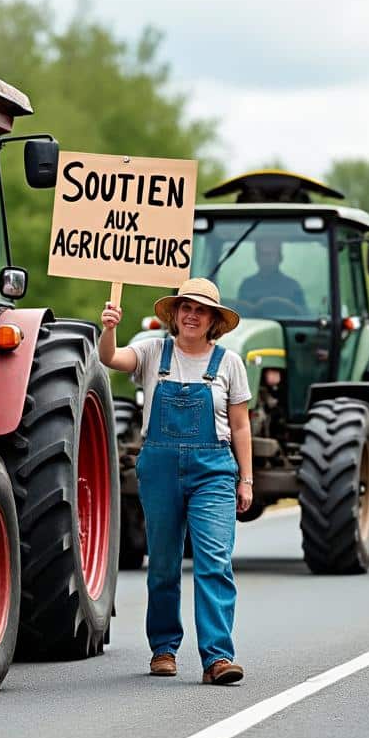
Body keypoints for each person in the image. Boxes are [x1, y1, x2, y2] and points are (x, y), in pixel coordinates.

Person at [99, 277, 253, 685]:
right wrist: (109, 327)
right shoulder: (152, 351)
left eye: (201, 310)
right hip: (160, 467)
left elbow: (240, 426)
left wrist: (247, 480)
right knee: (164, 564)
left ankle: (218, 657)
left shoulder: (229, 363)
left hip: (214, 470)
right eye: (186, 307)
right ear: (175, 313)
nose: (191, 315)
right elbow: (111, 359)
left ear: (214, 320)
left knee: (214, 561)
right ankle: (164, 648)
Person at [236, 240, 305, 311]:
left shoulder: (293, 286)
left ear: (280, 257)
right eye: (262, 254)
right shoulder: (247, 285)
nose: (266, 258)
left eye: (270, 254)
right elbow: (240, 314)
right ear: (256, 258)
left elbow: (302, 315)